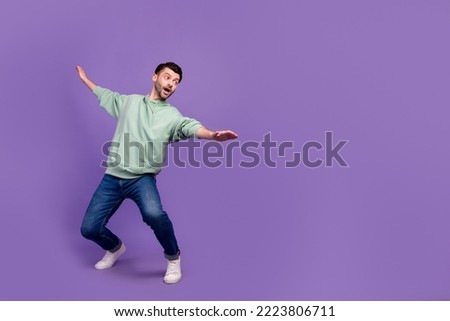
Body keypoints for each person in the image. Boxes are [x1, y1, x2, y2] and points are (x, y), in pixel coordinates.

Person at [76, 62, 238, 284]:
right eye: (168, 77)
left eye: (176, 82)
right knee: (89, 229)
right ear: (155, 77)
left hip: (142, 179)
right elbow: (106, 95)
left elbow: (188, 126)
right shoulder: (129, 102)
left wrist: (212, 135)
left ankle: (173, 257)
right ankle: (114, 248)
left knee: (153, 214)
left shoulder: (171, 116)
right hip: (113, 177)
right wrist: (86, 81)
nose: (171, 83)